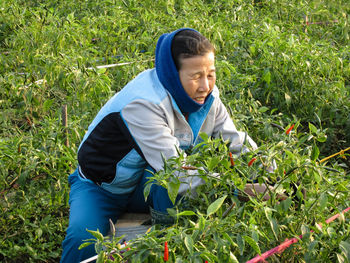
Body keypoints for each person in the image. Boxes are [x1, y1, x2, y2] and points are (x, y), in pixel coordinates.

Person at [60, 28, 260, 262]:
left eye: (211, 74)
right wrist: (238, 190)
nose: (205, 85)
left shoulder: (207, 97)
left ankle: (169, 243)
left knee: (168, 189)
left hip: (145, 179)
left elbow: (234, 140)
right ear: (173, 74)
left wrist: (273, 172)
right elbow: (176, 170)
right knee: (81, 242)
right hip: (101, 187)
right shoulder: (144, 103)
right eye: (196, 76)